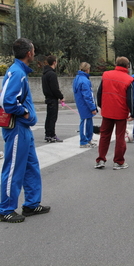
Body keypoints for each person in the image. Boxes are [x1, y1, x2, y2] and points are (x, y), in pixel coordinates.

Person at [0, 38, 51, 223]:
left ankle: (31, 204)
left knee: (31, 167)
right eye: (34, 50)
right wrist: (25, 112)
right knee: (13, 168)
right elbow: (6, 101)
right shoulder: (17, 73)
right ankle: (5, 209)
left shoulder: (19, 72)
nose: (35, 53)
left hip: (23, 129)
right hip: (17, 128)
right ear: (29, 53)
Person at [95, 57, 134, 170]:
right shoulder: (129, 79)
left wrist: (102, 106)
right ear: (127, 66)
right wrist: (133, 112)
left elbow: (99, 93)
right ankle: (118, 161)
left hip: (107, 110)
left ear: (116, 64)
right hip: (121, 112)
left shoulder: (106, 75)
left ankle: (101, 159)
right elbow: (130, 98)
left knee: (104, 136)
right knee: (120, 137)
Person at [72, 62, 98, 148]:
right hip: (85, 105)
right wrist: (93, 107)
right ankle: (84, 141)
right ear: (87, 69)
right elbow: (88, 96)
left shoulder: (77, 78)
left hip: (81, 103)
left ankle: (88, 139)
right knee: (85, 121)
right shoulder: (85, 81)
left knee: (87, 121)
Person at [42, 55, 64, 142]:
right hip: (53, 99)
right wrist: (61, 96)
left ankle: (48, 134)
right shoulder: (52, 74)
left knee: (49, 117)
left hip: (48, 98)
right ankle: (51, 134)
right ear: (54, 62)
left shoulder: (45, 74)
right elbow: (55, 88)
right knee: (52, 118)